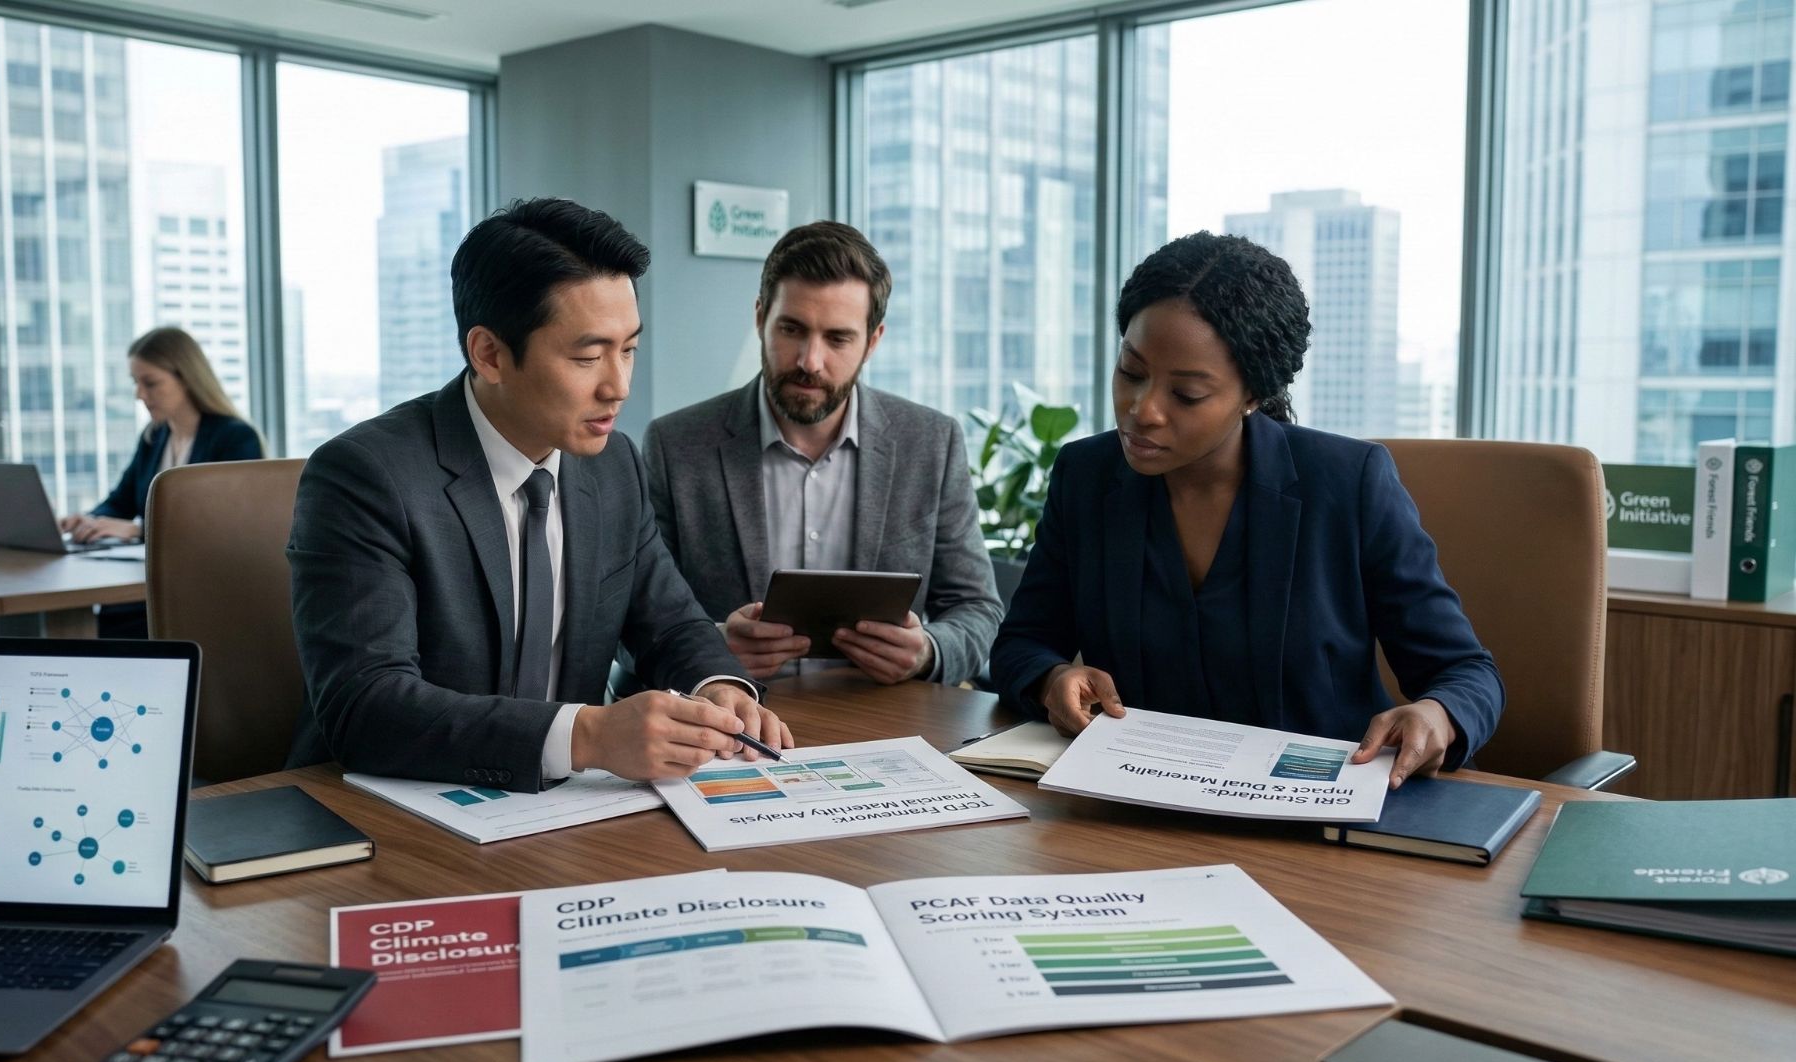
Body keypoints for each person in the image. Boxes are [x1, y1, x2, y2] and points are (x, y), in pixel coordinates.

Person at [286, 197, 791, 791]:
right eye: (588, 356)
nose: (619, 386)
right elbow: (366, 707)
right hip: (392, 809)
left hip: (563, 815)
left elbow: (671, 624)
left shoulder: (615, 465)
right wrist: (591, 737)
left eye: (628, 349)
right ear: (490, 354)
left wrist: (719, 687)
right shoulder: (365, 476)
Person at [988, 231, 1503, 789]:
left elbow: (1465, 672)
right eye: (1131, 373)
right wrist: (1052, 676)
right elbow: (1022, 642)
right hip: (1137, 800)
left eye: (1186, 395)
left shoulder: (1348, 484)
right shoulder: (1087, 476)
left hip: (1315, 811)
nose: (1142, 411)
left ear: (1253, 394)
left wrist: (1438, 714)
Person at [643, 222, 1001, 685]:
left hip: (882, 727)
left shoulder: (931, 443)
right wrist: (707, 650)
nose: (810, 361)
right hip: (728, 728)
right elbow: (632, 621)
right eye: (792, 329)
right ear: (759, 318)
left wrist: (927, 652)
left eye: (837, 339)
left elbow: (977, 608)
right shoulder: (676, 446)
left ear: (872, 341)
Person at [60, 326, 263, 638]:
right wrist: (89, 520)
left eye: (150, 383)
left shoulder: (234, 438)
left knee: (112, 625)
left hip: (204, 590)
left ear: (187, 378)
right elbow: (121, 501)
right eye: (136, 383)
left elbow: (227, 526)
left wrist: (140, 529)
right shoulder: (155, 437)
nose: (139, 394)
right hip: (151, 583)